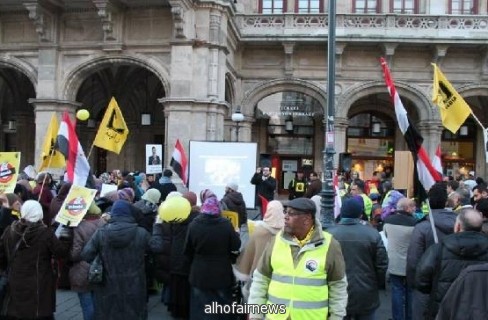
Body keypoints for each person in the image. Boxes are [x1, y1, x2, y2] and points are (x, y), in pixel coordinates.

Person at [248, 198, 348, 320]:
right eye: (285, 212)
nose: (285, 217)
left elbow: (338, 286)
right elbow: (260, 280)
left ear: (306, 219)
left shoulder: (329, 244)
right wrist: (255, 314)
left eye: (291, 213)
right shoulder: (276, 241)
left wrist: (336, 317)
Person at [0, 200, 73, 320]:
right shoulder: (45, 233)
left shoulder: (9, 230)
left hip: (15, 283)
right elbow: (61, 253)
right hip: (39, 286)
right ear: (40, 214)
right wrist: (66, 235)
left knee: (16, 312)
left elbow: (2, 257)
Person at [81, 200, 151, 320]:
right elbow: (155, 250)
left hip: (107, 285)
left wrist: (100, 257)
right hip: (135, 284)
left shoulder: (101, 233)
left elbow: (86, 255)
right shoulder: (141, 233)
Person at [415, 208, 488, 320]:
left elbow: (422, 281)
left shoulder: (438, 250)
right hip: (481, 309)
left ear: (457, 226)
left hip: (443, 309)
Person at [328, 198, 388, 320]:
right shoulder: (372, 234)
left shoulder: (329, 234)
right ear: (360, 214)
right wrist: (377, 283)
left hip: (338, 291)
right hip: (366, 290)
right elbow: (382, 264)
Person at [184, 196, 241, 320]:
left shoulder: (194, 225)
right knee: (222, 307)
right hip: (222, 272)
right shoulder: (226, 224)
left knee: (200, 307)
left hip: (199, 272)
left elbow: (187, 250)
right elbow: (236, 245)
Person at [406, 182, 457, 320]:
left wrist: (414, 284)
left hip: (427, 287)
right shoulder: (459, 223)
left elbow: (413, 260)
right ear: (446, 202)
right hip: (455, 285)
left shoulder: (422, 228)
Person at [233, 200, 285, 302]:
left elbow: (248, 255)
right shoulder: (287, 233)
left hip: (259, 279)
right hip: (280, 280)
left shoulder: (260, 232)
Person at [69, 201, 105, 320]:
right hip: (101, 267)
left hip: (83, 269)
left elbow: (75, 253)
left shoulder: (79, 227)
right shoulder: (104, 223)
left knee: (87, 305)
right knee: (98, 303)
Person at [383, 198, 417, 320]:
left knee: (396, 291)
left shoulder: (388, 221)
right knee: (409, 292)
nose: (414, 209)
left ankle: (397, 317)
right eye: (412, 206)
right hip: (410, 264)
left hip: (394, 262)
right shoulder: (415, 223)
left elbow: (386, 235)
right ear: (407, 208)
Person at [220, 182, 248, 249]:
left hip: (227, 226)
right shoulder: (241, 199)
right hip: (239, 226)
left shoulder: (225, 200)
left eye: (227, 187)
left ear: (231, 190)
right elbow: (244, 214)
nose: (225, 189)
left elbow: (222, 213)